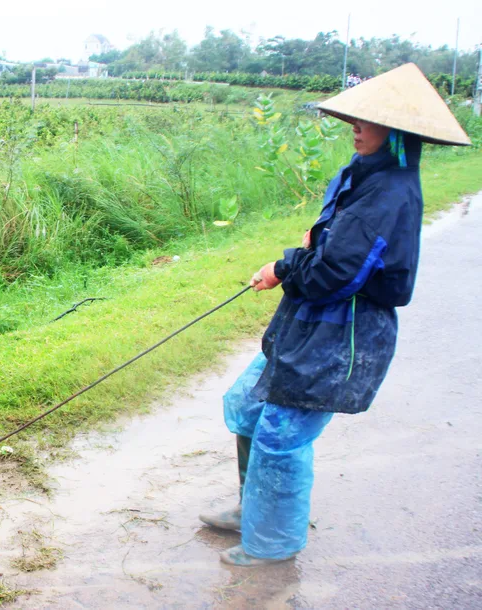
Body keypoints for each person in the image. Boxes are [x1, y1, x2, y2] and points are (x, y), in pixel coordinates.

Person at [200, 63, 471, 566]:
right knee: (247, 406)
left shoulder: (390, 194)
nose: (356, 126)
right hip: (305, 322)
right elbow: (323, 244)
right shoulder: (360, 175)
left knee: (281, 435)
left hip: (342, 331)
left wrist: (284, 265)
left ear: (400, 134)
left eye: (370, 120)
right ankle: (252, 508)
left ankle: (272, 543)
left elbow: (333, 276)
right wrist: (303, 253)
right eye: (356, 118)